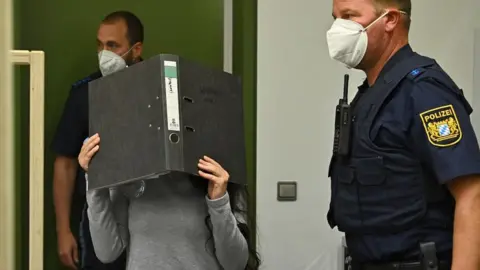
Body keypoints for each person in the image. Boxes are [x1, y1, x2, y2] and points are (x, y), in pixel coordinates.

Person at [326, 0, 480, 269]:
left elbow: (472, 195)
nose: (338, 27)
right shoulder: (371, 95)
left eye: (350, 16)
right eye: (336, 17)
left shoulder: (424, 92)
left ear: (390, 20)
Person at [78, 134, 261, 270]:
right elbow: (107, 251)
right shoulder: (132, 174)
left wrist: (219, 201)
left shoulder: (219, 176)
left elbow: (235, 263)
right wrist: (96, 179)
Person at [51, 10, 145, 269]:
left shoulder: (160, 88)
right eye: (100, 44)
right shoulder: (84, 93)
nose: (104, 53)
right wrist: (63, 231)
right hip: (99, 215)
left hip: (150, 215)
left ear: (136, 49)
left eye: (112, 45)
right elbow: (65, 164)